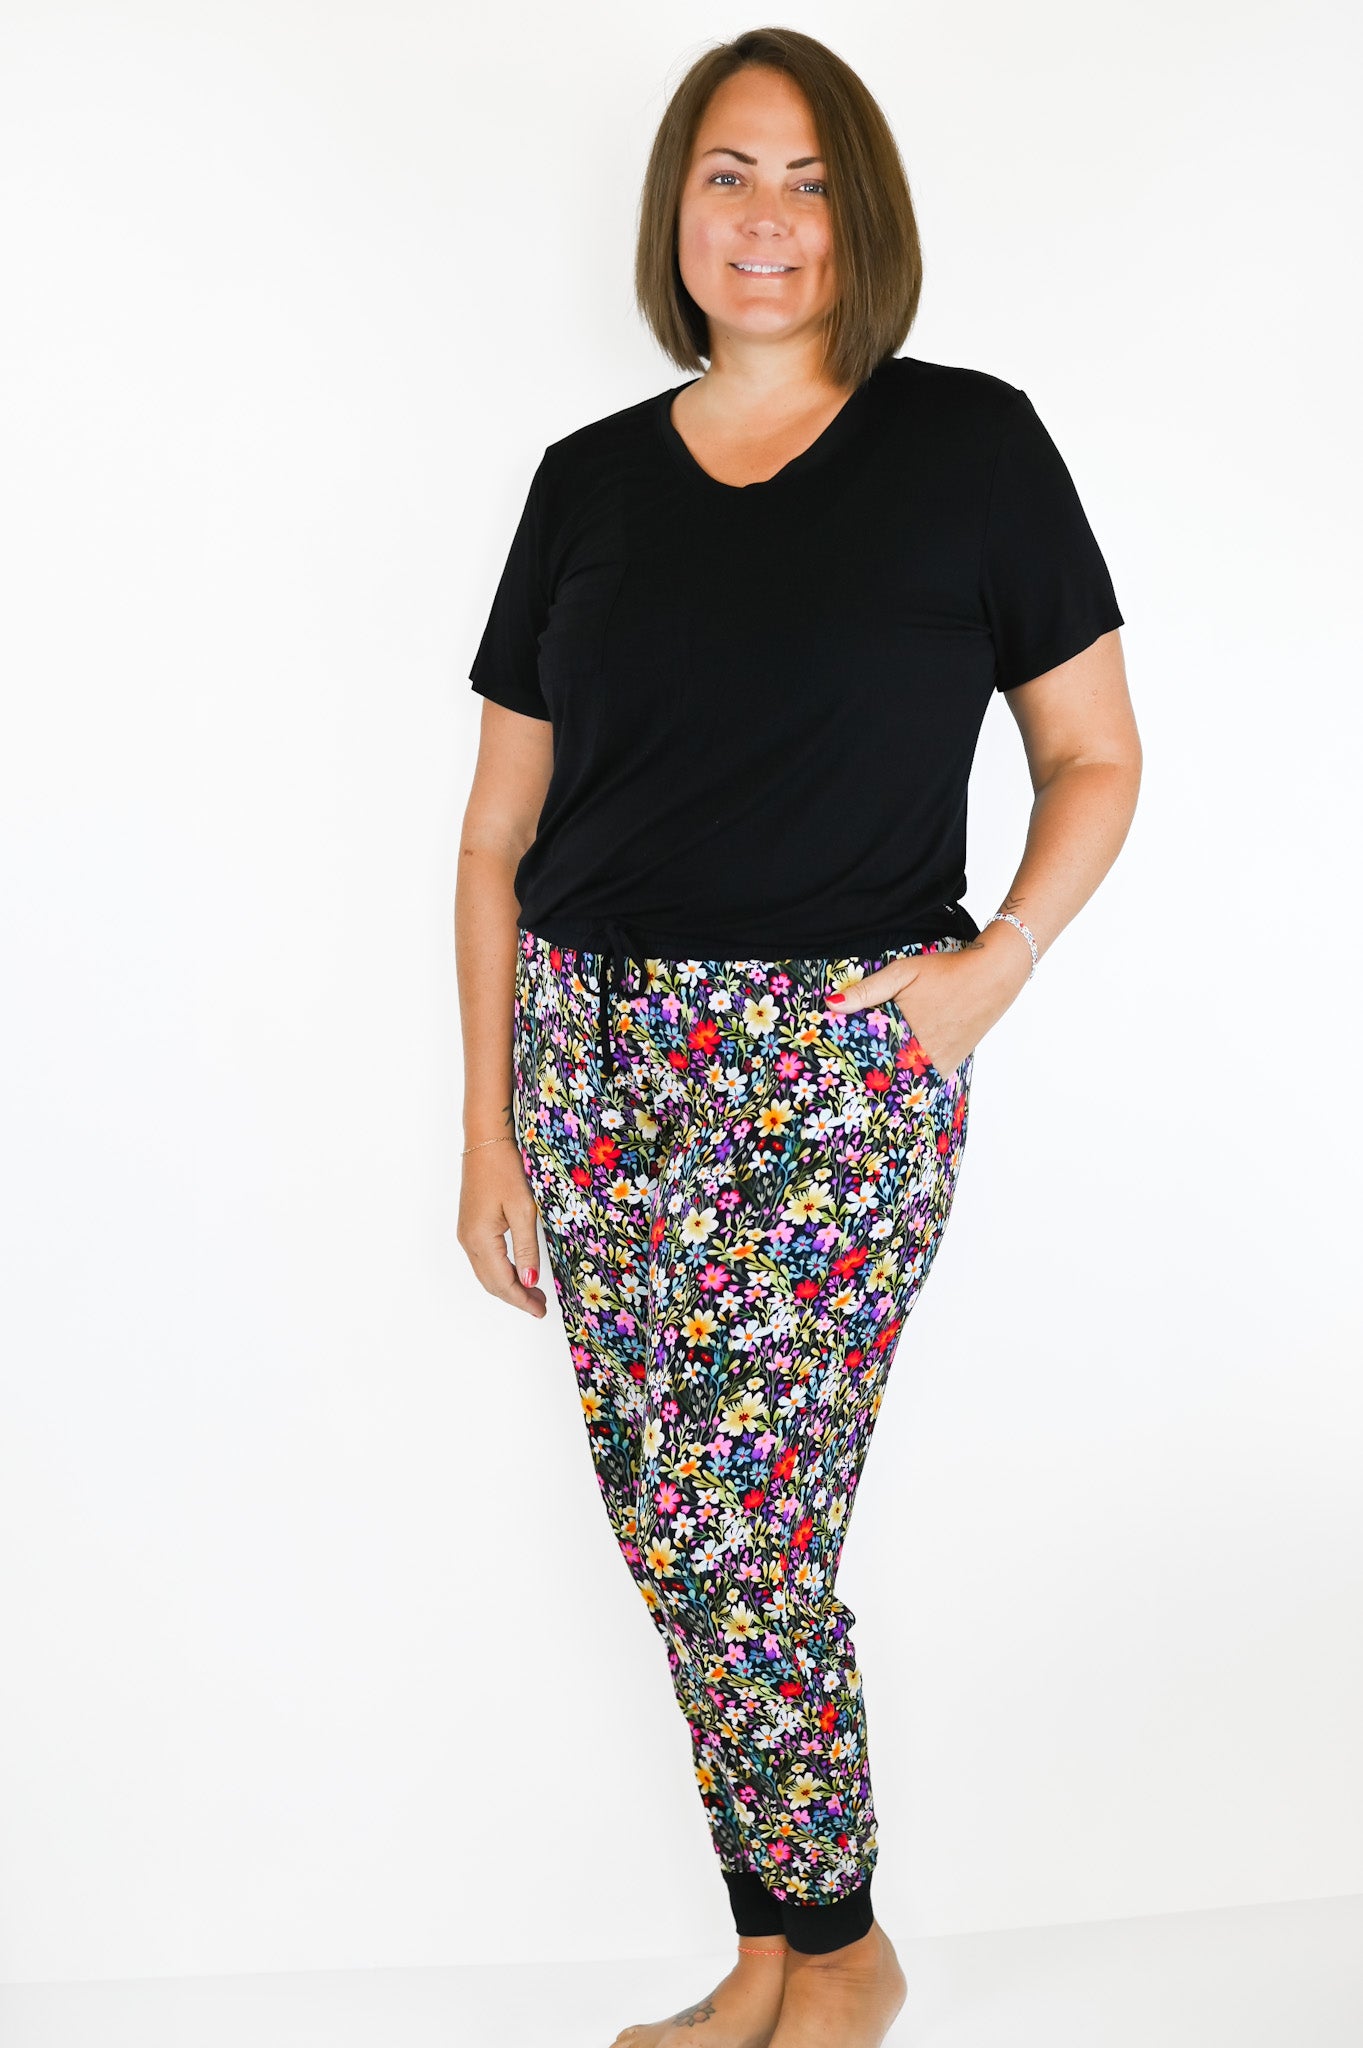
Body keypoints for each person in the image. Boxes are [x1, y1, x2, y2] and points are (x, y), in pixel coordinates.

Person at [455, 27, 1141, 2048]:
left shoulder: (969, 446)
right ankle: (769, 1946)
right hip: (591, 1055)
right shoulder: (585, 482)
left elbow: (1096, 756)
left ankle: (844, 1952)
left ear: (865, 215)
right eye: (729, 175)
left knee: (738, 1523)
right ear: (676, 210)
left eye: (810, 179)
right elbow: (495, 831)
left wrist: (996, 964)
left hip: (829, 1060)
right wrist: (488, 1128)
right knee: (668, 1521)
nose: (767, 218)